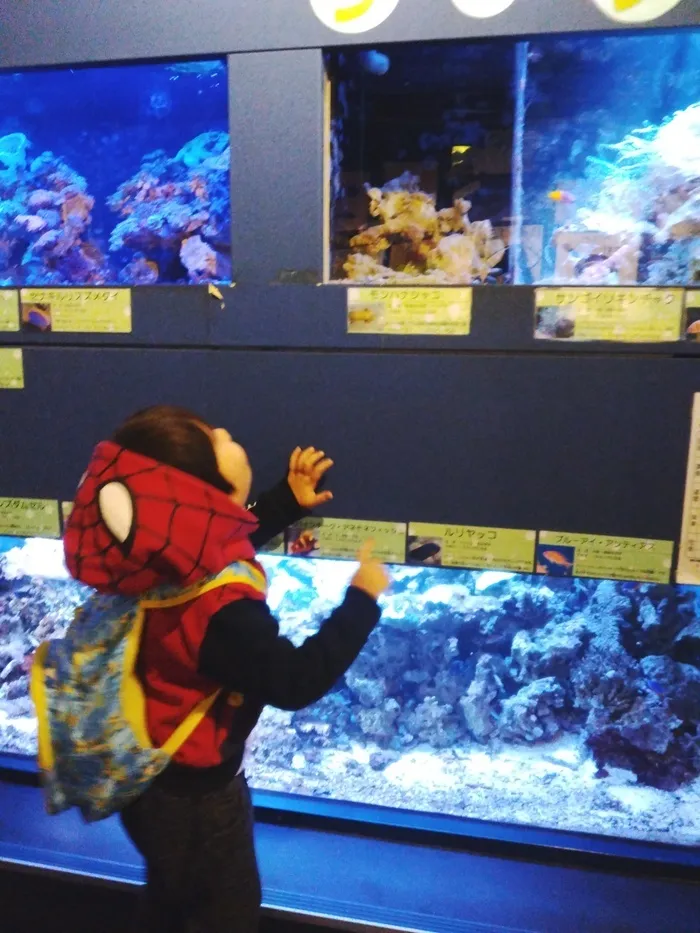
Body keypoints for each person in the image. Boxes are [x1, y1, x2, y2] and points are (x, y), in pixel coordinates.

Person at [62, 404, 390, 933]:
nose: (226, 432)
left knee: (171, 894)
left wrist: (286, 501)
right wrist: (361, 600)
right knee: (223, 910)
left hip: (143, 775)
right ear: (203, 496)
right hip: (198, 801)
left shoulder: (150, 555)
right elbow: (294, 680)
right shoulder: (222, 612)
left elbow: (216, 537)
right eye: (216, 440)